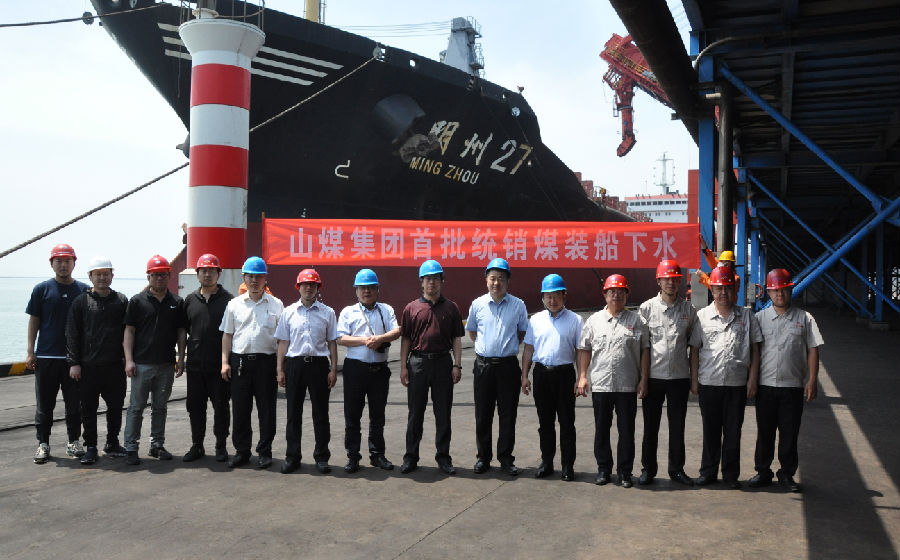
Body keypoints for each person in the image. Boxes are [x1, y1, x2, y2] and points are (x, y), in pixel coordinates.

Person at [749, 269, 823, 493]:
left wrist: (812, 380)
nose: (779, 294)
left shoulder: (805, 318)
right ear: (768, 293)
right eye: (775, 290)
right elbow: (754, 352)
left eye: (783, 290)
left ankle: (786, 474)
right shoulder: (760, 319)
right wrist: (752, 380)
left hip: (792, 387)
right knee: (765, 432)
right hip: (766, 386)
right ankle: (763, 471)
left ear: (791, 290)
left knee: (789, 433)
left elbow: (813, 349)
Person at [689, 266, 762, 489]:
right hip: (709, 383)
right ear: (712, 290)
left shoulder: (747, 316)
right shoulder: (702, 316)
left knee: (733, 431)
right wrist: (694, 379)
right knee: (710, 431)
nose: (723, 293)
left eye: (728, 288)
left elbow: (755, 349)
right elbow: (694, 349)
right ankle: (708, 472)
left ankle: (730, 475)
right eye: (719, 288)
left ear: (735, 290)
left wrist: (752, 379)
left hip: (736, 384)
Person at [576, 274, 649, 488]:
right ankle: (603, 470)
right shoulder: (594, 321)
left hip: (627, 385)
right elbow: (584, 349)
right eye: (612, 291)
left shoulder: (637, 321)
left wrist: (644, 379)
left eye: (620, 291)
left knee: (626, 431)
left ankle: (625, 472)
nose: (616, 295)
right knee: (602, 429)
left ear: (627, 294)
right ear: (605, 295)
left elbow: (645, 351)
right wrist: (582, 376)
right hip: (601, 384)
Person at [399, 260, 464, 475]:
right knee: (415, 413)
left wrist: (457, 365)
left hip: (443, 363)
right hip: (418, 363)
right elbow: (406, 339)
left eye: (436, 278)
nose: (432, 282)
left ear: (442, 281)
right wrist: (403, 367)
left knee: (443, 413)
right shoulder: (411, 308)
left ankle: (443, 458)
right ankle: (410, 457)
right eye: (428, 279)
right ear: (421, 282)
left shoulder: (451, 307)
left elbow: (456, 339)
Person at [26, 243, 89, 464]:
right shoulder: (41, 289)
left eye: (67, 261)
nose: (63, 265)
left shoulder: (84, 291)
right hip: (46, 358)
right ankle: (43, 443)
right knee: (45, 405)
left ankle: (74, 442)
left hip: (74, 360)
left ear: (74, 263)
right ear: (52, 264)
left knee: (74, 405)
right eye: (59, 261)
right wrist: (30, 351)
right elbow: (34, 321)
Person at [637, 260, 698, 486]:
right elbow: (642, 347)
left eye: (675, 279)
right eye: (667, 279)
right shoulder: (646, 309)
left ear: (680, 281)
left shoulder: (689, 310)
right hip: (653, 377)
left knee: (677, 427)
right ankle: (648, 469)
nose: (671, 282)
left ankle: (676, 469)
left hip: (679, 378)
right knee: (650, 427)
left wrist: (693, 379)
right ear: (659, 281)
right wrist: (642, 379)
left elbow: (693, 346)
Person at [467, 258, 529, 476]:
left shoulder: (518, 305)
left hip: (508, 367)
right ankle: (483, 458)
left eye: (501, 278)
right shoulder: (477, 304)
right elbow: (472, 332)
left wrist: (504, 348)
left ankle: (506, 458)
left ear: (507, 281)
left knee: (507, 414)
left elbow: (522, 333)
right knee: (483, 414)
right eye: (492, 278)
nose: (496, 283)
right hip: (483, 366)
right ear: (486, 280)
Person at [220, 257, 284, 469]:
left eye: (259, 276)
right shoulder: (234, 305)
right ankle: (242, 451)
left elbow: (282, 339)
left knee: (267, 410)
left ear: (265, 278)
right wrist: (225, 362)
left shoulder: (276, 304)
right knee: (240, 410)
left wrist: (280, 367)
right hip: (240, 363)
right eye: (250, 276)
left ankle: (265, 452)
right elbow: (227, 335)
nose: (254, 280)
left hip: (267, 362)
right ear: (244, 278)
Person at [123, 255, 186, 465]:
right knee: (136, 407)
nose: (160, 278)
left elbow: (181, 332)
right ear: (148, 277)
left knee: (160, 407)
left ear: (169, 276)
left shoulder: (177, 302)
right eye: (155, 275)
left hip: (166, 364)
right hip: (141, 364)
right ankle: (131, 447)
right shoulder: (137, 301)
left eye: (163, 274)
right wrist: (129, 360)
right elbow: (129, 331)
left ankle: (156, 445)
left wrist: (181, 358)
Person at [65, 256, 129, 465]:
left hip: (115, 366)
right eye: (98, 274)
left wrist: (129, 360)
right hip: (88, 367)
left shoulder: (121, 301)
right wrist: (74, 363)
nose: (102, 278)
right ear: (90, 277)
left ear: (112, 275)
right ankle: (90, 446)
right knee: (88, 409)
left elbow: (129, 332)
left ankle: (112, 442)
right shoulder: (81, 302)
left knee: (116, 407)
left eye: (106, 274)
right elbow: (72, 333)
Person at [336, 269, 401, 473]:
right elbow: (340, 338)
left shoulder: (386, 310)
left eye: (371, 287)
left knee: (378, 415)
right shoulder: (348, 312)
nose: (367, 291)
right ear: (356, 290)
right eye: (362, 288)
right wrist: (365, 340)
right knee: (352, 416)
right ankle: (353, 456)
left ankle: (377, 455)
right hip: (355, 370)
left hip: (379, 371)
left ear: (377, 289)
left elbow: (396, 331)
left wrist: (380, 339)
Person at [275, 268, 338, 474]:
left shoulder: (328, 313)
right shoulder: (289, 312)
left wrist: (333, 369)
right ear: (298, 287)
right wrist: (280, 369)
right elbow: (283, 342)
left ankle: (322, 457)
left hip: (319, 366)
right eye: (305, 284)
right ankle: (292, 457)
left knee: (321, 413)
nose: (308, 288)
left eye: (312, 285)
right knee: (293, 413)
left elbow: (332, 342)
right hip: (295, 365)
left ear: (318, 287)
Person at [520, 274, 582, 481]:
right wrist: (525, 375)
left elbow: (580, 351)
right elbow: (529, 349)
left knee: (567, 422)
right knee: (545, 423)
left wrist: (581, 377)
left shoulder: (575, 320)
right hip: (542, 375)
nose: (552, 300)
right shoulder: (536, 320)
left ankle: (567, 466)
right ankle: (547, 462)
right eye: (548, 296)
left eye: (556, 295)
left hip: (565, 375)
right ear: (543, 297)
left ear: (564, 295)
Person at [181, 253, 234, 463]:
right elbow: (184, 330)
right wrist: (181, 360)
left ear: (219, 274)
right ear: (197, 274)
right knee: (195, 407)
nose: (207, 274)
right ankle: (197, 445)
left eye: (212, 270)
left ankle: (221, 446)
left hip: (219, 367)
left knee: (221, 406)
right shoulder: (190, 300)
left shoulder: (229, 301)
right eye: (203, 270)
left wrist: (227, 362)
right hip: (195, 366)